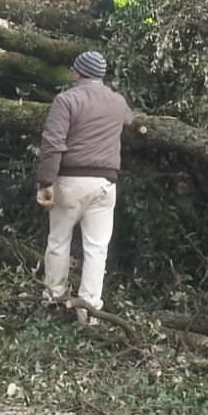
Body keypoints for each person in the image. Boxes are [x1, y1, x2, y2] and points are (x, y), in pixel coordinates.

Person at [36, 49, 133, 317]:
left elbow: (53, 143)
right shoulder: (117, 101)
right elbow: (129, 120)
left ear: (77, 72)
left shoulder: (67, 100)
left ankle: (54, 300)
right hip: (105, 184)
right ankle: (89, 310)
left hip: (70, 180)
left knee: (58, 241)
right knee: (97, 248)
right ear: (101, 75)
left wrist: (46, 180)